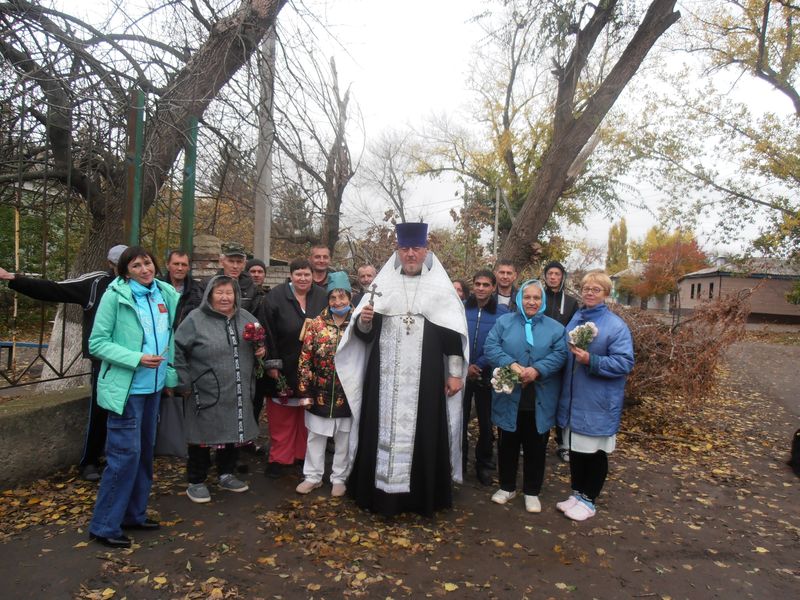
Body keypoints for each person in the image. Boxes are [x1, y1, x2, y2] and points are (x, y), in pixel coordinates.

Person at [336, 222, 469, 517]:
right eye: (405, 248)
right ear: (398, 251)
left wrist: (456, 373)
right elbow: (365, 336)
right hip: (384, 377)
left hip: (426, 379)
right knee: (379, 430)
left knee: (425, 430)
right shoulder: (383, 286)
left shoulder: (440, 289)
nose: (411, 254)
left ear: (426, 251)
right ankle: (378, 495)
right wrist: (365, 321)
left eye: (416, 248)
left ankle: (421, 499)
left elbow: (452, 337)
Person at [0, 244, 127, 482]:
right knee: (101, 411)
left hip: (135, 360)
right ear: (111, 265)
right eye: (121, 264)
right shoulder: (96, 284)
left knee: (131, 411)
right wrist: (13, 279)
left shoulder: (146, 284)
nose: (127, 268)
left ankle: (124, 458)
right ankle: (90, 461)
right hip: (105, 361)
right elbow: (55, 289)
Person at [86, 246, 179, 548]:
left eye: (148, 263)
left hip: (153, 390)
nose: (144, 269)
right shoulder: (115, 297)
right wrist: (136, 358)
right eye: (136, 265)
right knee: (123, 458)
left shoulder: (162, 294)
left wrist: (169, 376)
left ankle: (133, 515)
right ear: (125, 271)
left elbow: (171, 337)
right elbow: (97, 344)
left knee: (143, 457)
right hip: (126, 391)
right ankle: (104, 526)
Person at [174, 275, 264, 503]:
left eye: (229, 293)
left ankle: (226, 473)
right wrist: (182, 380)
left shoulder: (246, 318)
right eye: (219, 292)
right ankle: (196, 480)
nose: (225, 297)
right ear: (210, 295)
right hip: (205, 389)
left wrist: (261, 349)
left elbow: (261, 342)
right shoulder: (196, 319)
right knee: (202, 436)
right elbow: (177, 349)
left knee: (234, 431)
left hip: (238, 388)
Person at [557, 270, 634, 522]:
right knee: (576, 449)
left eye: (596, 289)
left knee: (594, 452)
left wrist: (592, 360)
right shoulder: (577, 318)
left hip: (597, 401)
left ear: (606, 294)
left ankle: (589, 499)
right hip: (574, 398)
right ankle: (577, 493)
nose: (589, 293)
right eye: (586, 288)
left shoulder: (614, 326)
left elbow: (624, 363)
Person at [484, 280, 567, 513]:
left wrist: (537, 369)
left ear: (542, 301)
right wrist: (510, 364)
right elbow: (491, 347)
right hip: (509, 397)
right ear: (519, 299)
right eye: (527, 297)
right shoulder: (504, 322)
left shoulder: (555, 328)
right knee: (507, 443)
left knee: (536, 447)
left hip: (538, 398)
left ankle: (532, 491)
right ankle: (507, 486)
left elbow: (560, 354)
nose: (532, 302)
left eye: (536, 298)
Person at [261, 258, 327, 478]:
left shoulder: (321, 296)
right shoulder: (275, 297)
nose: (303, 278)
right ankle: (280, 457)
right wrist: (272, 363)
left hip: (313, 366)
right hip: (284, 362)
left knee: (305, 412)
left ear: (313, 276)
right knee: (282, 413)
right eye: (298, 274)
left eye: (307, 274)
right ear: (291, 276)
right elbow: (267, 332)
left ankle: (301, 455)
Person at [295, 272, 354, 497]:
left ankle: (339, 478)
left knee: (343, 438)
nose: (338, 302)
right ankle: (312, 476)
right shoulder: (316, 324)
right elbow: (304, 358)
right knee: (316, 436)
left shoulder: (357, 323)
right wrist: (304, 390)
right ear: (328, 299)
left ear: (350, 297)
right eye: (333, 298)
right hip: (319, 390)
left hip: (347, 392)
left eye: (342, 297)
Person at [462, 269, 508, 486]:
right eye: (477, 284)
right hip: (461, 373)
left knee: (486, 422)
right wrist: (464, 365)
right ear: (473, 286)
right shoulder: (461, 309)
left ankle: (484, 464)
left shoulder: (501, 313)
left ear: (493, 287)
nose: (481, 288)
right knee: (458, 420)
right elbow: (455, 338)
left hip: (487, 374)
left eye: (486, 285)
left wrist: (478, 365)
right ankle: (458, 462)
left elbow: (499, 343)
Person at [154, 249, 198, 458]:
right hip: (160, 347)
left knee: (185, 392)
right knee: (163, 392)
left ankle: (185, 439)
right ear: (168, 265)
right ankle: (161, 439)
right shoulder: (155, 288)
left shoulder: (196, 291)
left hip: (187, 350)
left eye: (184, 265)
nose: (180, 268)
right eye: (176, 264)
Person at [542, 260, 580, 463]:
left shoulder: (572, 303)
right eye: (550, 274)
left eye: (557, 274)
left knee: (564, 400)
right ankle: (535, 439)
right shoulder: (538, 297)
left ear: (562, 276)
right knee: (540, 398)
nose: (553, 277)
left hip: (564, 358)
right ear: (545, 277)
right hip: (540, 357)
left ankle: (564, 444)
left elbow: (575, 330)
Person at [184, 242, 261, 315]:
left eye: (239, 262)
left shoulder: (252, 288)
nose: (235, 266)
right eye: (231, 261)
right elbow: (199, 313)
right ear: (221, 262)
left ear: (244, 264)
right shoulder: (207, 285)